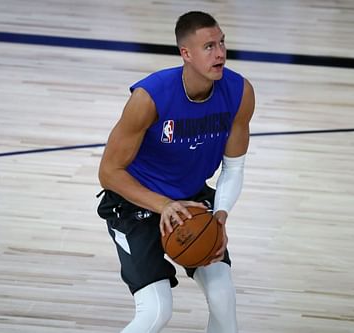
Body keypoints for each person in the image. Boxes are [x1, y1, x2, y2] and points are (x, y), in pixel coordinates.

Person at [97, 10, 255, 333]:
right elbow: (109, 172)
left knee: (223, 297)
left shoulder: (239, 93)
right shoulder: (149, 98)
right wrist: (164, 205)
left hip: (190, 199)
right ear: (186, 53)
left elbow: (234, 167)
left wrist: (221, 214)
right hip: (134, 205)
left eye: (222, 42)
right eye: (209, 46)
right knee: (156, 311)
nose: (221, 53)